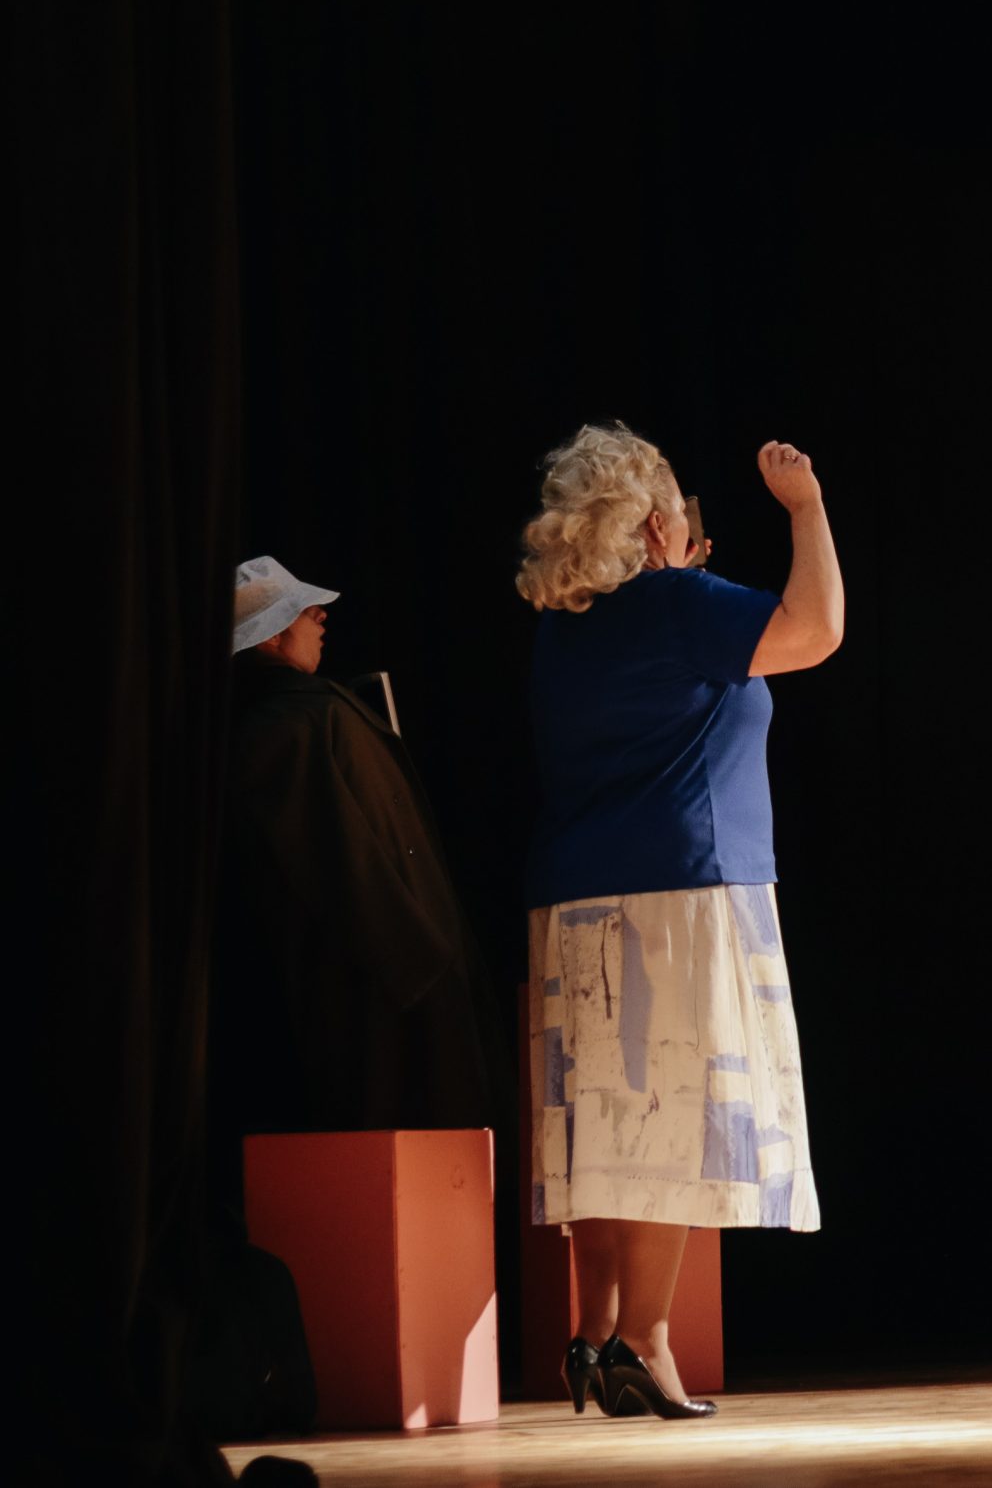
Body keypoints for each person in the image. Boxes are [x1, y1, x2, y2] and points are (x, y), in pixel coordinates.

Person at [518, 423, 842, 1420]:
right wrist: (806, 508)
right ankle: (645, 1340)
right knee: (670, 1125)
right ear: (656, 521)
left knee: (608, 1126)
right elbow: (816, 629)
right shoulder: (676, 604)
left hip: (577, 901)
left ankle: (591, 1333)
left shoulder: (565, 628)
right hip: (680, 892)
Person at [213, 557, 495, 1191]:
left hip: (397, 983)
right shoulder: (284, 725)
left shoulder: (298, 715)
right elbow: (336, 864)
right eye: (298, 610)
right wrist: (424, 967)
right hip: (382, 994)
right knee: (396, 1162)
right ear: (269, 637)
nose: (320, 616)